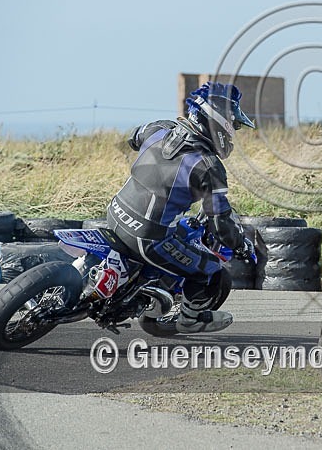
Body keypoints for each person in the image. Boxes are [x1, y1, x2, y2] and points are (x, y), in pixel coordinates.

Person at [106, 81, 255, 333]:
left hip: (114, 214)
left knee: (173, 234)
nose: (233, 135)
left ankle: (136, 288)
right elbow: (220, 222)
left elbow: (133, 137)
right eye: (234, 127)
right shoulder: (208, 166)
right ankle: (190, 319)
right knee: (209, 269)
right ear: (220, 123)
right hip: (146, 238)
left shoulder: (160, 128)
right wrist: (240, 245)